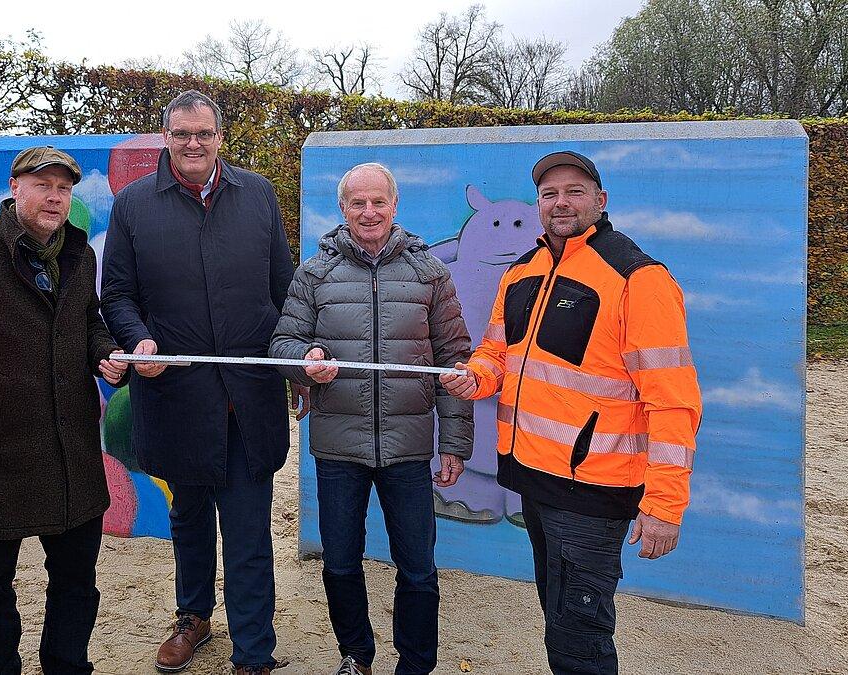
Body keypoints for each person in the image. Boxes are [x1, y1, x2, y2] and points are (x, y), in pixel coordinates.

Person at [440, 151, 702, 675]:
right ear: (538, 205)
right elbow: (498, 353)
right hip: (532, 479)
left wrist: (665, 505)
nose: (561, 202)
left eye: (575, 191)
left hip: (592, 492)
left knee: (580, 633)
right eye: (549, 193)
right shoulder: (524, 271)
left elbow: (674, 400)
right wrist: (476, 377)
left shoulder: (638, 279)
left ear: (600, 201)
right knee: (559, 618)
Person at [101, 89, 297, 675]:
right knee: (188, 519)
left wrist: (292, 365)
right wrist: (138, 341)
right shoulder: (135, 205)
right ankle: (192, 617)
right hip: (175, 396)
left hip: (248, 396)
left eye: (204, 134)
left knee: (247, 530)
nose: (193, 144)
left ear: (219, 138)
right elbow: (117, 295)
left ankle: (254, 650)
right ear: (166, 137)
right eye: (182, 134)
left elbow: (284, 289)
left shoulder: (258, 195)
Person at [0, 146, 129, 674]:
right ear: (15, 188)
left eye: (63, 188)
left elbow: (89, 323)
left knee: (77, 583)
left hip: (71, 452)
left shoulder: (79, 255)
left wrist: (105, 354)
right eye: (43, 185)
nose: (55, 197)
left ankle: (68, 667)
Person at [269, 162, 473, 675]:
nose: (368, 212)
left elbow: (455, 359)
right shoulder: (314, 272)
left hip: (408, 448)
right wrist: (305, 360)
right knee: (339, 563)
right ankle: (356, 654)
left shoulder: (430, 272)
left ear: (394, 206)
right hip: (339, 448)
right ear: (342, 209)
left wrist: (454, 441)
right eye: (357, 203)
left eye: (377, 201)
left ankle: (416, 663)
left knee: (419, 569)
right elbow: (283, 344)